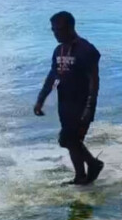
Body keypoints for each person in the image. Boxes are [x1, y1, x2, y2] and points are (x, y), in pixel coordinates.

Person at [33, 11, 104, 186]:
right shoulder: (58, 50)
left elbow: (94, 81)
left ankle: (89, 169)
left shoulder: (87, 50)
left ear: (70, 28)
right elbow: (53, 76)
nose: (55, 33)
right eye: (53, 30)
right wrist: (41, 98)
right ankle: (85, 171)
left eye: (59, 30)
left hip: (82, 103)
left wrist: (89, 107)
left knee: (69, 139)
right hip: (65, 102)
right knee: (70, 140)